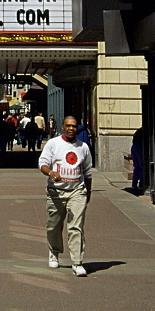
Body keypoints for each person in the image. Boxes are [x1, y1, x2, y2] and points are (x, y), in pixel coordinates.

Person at [39, 115, 93, 277]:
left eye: (74, 126)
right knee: (54, 225)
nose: (71, 129)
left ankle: (77, 262)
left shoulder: (83, 147)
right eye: (68, 126)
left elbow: (88, 172)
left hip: (77, 190)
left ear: (77, 129)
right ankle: (54, 252)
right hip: (56, 191)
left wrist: (87, 192)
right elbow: (42, 163)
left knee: (75, 226)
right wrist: (50, 172)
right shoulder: (53, 144)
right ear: (63, 127)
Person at [131, 127, 144, 193]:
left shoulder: (138, 131)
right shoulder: (144, 131)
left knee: (137, 167)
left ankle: (134, 185)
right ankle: (141, 185)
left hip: (134, 147)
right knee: (142, 167)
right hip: (139, 147)